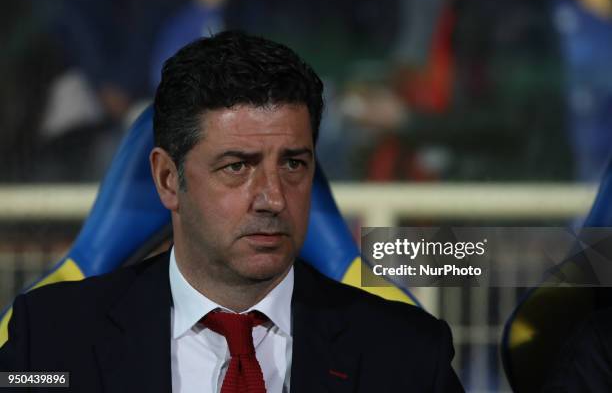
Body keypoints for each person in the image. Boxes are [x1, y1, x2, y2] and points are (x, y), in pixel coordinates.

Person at [0, 30, 463, 392]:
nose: (273, 198)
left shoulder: (406, 352)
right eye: (237, 166)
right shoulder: (51, 341)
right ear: (167, 180)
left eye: (294, 164)